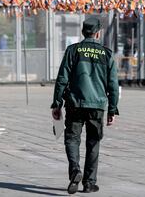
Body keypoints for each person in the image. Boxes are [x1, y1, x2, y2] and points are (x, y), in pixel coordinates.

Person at [51, 17, 119, 194]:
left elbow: (62, 79)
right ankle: (89, 183)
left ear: (83, 32)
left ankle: (75, 170)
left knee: (72, 139)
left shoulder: (73, 50)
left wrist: (57, 104)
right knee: (93, 142)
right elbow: (113, 84)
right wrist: (112, 109)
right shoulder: (107, 54)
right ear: (98, 33)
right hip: (97, 106)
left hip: (75, 104)